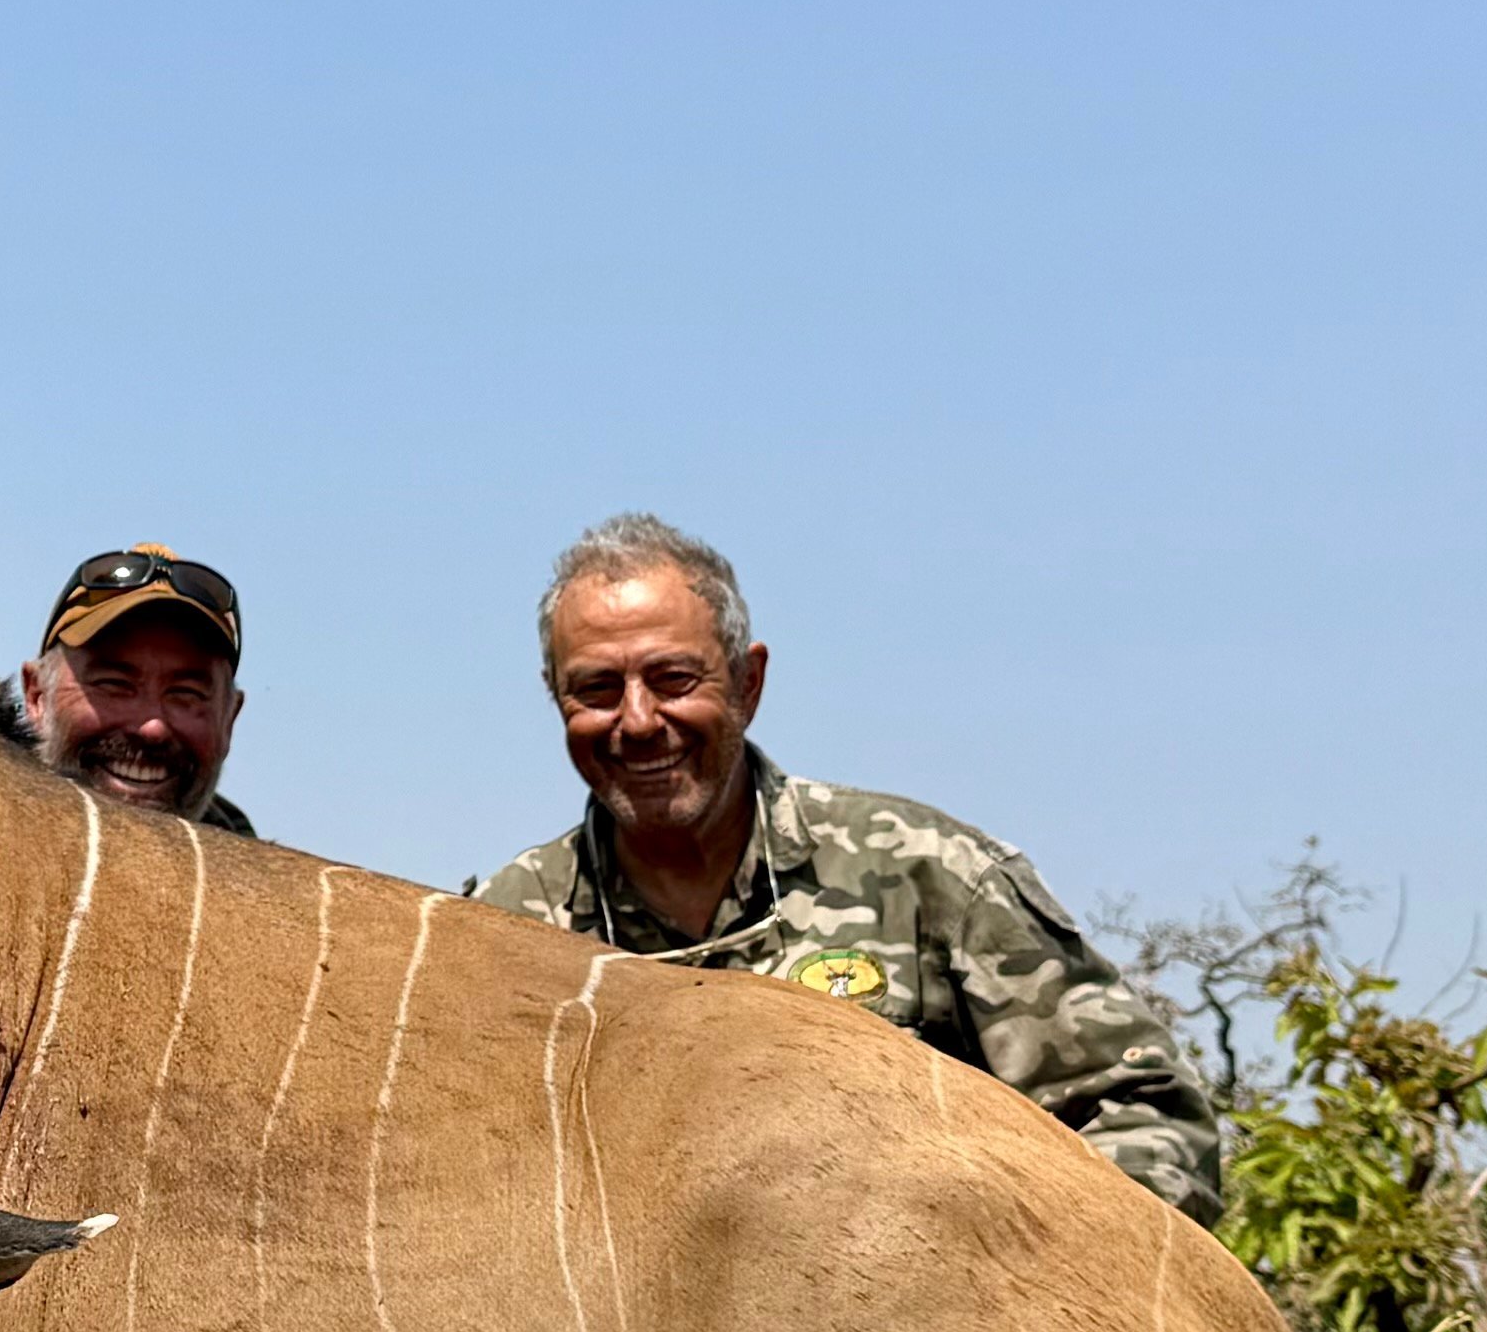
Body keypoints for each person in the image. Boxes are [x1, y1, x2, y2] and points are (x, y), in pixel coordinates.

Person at [467, 513, 1225, 1219]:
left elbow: (1142, 1118)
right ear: (556, 700)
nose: (637, 721)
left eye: (673, 679)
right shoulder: (499, 938)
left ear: (747, 684)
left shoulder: (930, 875)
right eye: (597, 689)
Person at [21, 547, 253, 832]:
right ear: (37, 697)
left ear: (228, 720)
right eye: (114, 684)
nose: (152, 728)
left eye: (186, 693)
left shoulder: (276, 877)